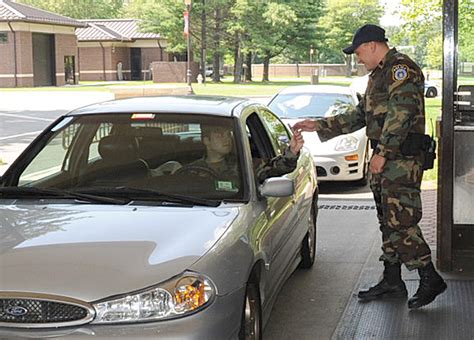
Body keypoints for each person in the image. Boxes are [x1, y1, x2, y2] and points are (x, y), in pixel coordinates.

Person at [293, 24, 446, 309]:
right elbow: (361, 115)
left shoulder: (402, 71)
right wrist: (318, 125)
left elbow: (400, 116)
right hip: (386, 160)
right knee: (387, 219)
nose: (358, 58)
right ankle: (392, 280)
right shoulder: (377, 76)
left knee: (401, 221)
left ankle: (429, 277)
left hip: (399, 161)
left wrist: (383, 153)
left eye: (359, 52)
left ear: (373, 45)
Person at [193, 124, 304, 183]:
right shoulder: (192, 170)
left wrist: (292, 151)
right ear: (206, 141)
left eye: (228, 134)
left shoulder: (245, 165)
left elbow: (278, 167)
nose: (226, 139)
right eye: (220, 135)